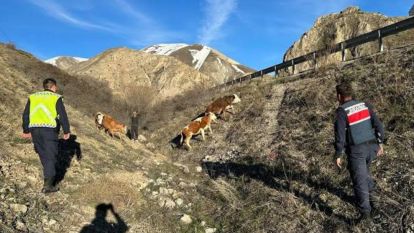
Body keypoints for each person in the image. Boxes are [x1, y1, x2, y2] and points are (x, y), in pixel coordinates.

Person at [334, 81, 384, 222]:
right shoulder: (365, 105)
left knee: (359, 180)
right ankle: (374, 202)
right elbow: (378, 125)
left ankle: (365, 214)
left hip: (357, 150)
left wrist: (338, 154)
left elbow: (340, 136)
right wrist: (380, 143)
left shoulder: (342, 111)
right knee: (366, 174)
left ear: (339, 96)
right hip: (372, 147)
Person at [22, 78, 70, 193]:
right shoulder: (56, 97)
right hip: (49, 130)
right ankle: (48, 186)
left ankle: (48, 177)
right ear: (53, 87)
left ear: (44, 86)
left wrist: (26, 130)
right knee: (50, 157)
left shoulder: (33, 97)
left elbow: (26, 114)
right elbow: (62, 115)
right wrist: (66, 130)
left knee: (43, 154)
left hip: (34, 130)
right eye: (55, 87)